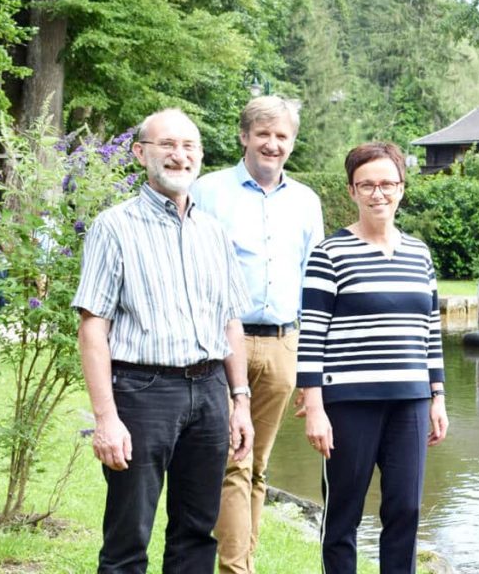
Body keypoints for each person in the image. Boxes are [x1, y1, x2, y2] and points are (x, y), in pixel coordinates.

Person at [72, 109, 255, 573]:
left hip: (211, 393)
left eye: (189, 146)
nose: (180, 155)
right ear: (140, 154)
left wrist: (240, 401)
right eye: (167, 145)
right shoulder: (114, 227)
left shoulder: (213, 232)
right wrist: (105, 419)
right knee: (128, 538)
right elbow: (94, 327)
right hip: (143, 393)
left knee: (196, 533)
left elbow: (230, 322)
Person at [297, 142, 449, 574]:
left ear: (402, 188)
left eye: (387, 184)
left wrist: (437, 395)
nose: (378, 193)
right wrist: (314, 408)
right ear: (351, 191)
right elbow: (312, 335)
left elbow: (429, 331)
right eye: (367, 185)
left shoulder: (419, 253)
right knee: (343, 513)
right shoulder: (330, 253)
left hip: (411, 402)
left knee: (405, 510)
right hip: (348, 404)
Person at [191, 95, 324, 574]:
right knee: (234, 459)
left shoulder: (307, 201)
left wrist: (312, 373)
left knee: (260, 465)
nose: (272, 144)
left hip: (285, 344)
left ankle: (241, 561)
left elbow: (315, 286)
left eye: (281, 136)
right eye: (262, 134)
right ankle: (236, 569)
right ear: (244, 136)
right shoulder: (208, 192)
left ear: (291, 142)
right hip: (225, 342)